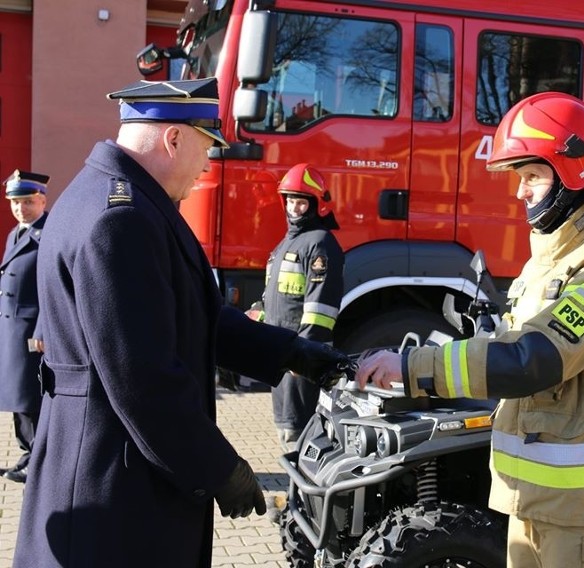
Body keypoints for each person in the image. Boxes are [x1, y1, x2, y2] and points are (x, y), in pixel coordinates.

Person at [12, 78, 351, 568]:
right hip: (114, 493)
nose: (208, 164)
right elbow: (143, 377)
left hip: (110, 475)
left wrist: (293, 353)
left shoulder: (116, 197)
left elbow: (197, 318)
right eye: (207, 147)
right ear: (174, 139)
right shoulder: (122, 218)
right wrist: (219, 469)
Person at [355, 92, 584, 568]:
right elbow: (509, 342)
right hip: (533, 505)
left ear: (572, 174)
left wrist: (413, 368)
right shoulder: (550, 265)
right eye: (520, 178)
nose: (520, 192)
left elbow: (532, 359)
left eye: (532, 176)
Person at [247, 163, 344, 454]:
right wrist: (254, 319)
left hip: (300, 361)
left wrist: (303, 356)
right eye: (290, 200)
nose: (294, 208)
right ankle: (294, 496)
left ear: (317, 205)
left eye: (301, 201)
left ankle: (300, 498)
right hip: (283, 355)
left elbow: (320, 310)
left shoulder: (320, 244)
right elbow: (275, 301)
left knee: (301, 434)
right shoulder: (285, 245)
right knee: (287, 430)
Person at [0, 170, 49, 484]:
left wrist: (44, 330)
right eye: (15, 202)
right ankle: (24, 453)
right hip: (12, 328)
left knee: (32, 396)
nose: (20, 208)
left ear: (42, 199)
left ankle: (39, 459)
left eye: (27, 202)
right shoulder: (16, 233)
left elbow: (51, 286)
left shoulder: (48, 233)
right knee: (18, 397)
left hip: (33, 331)